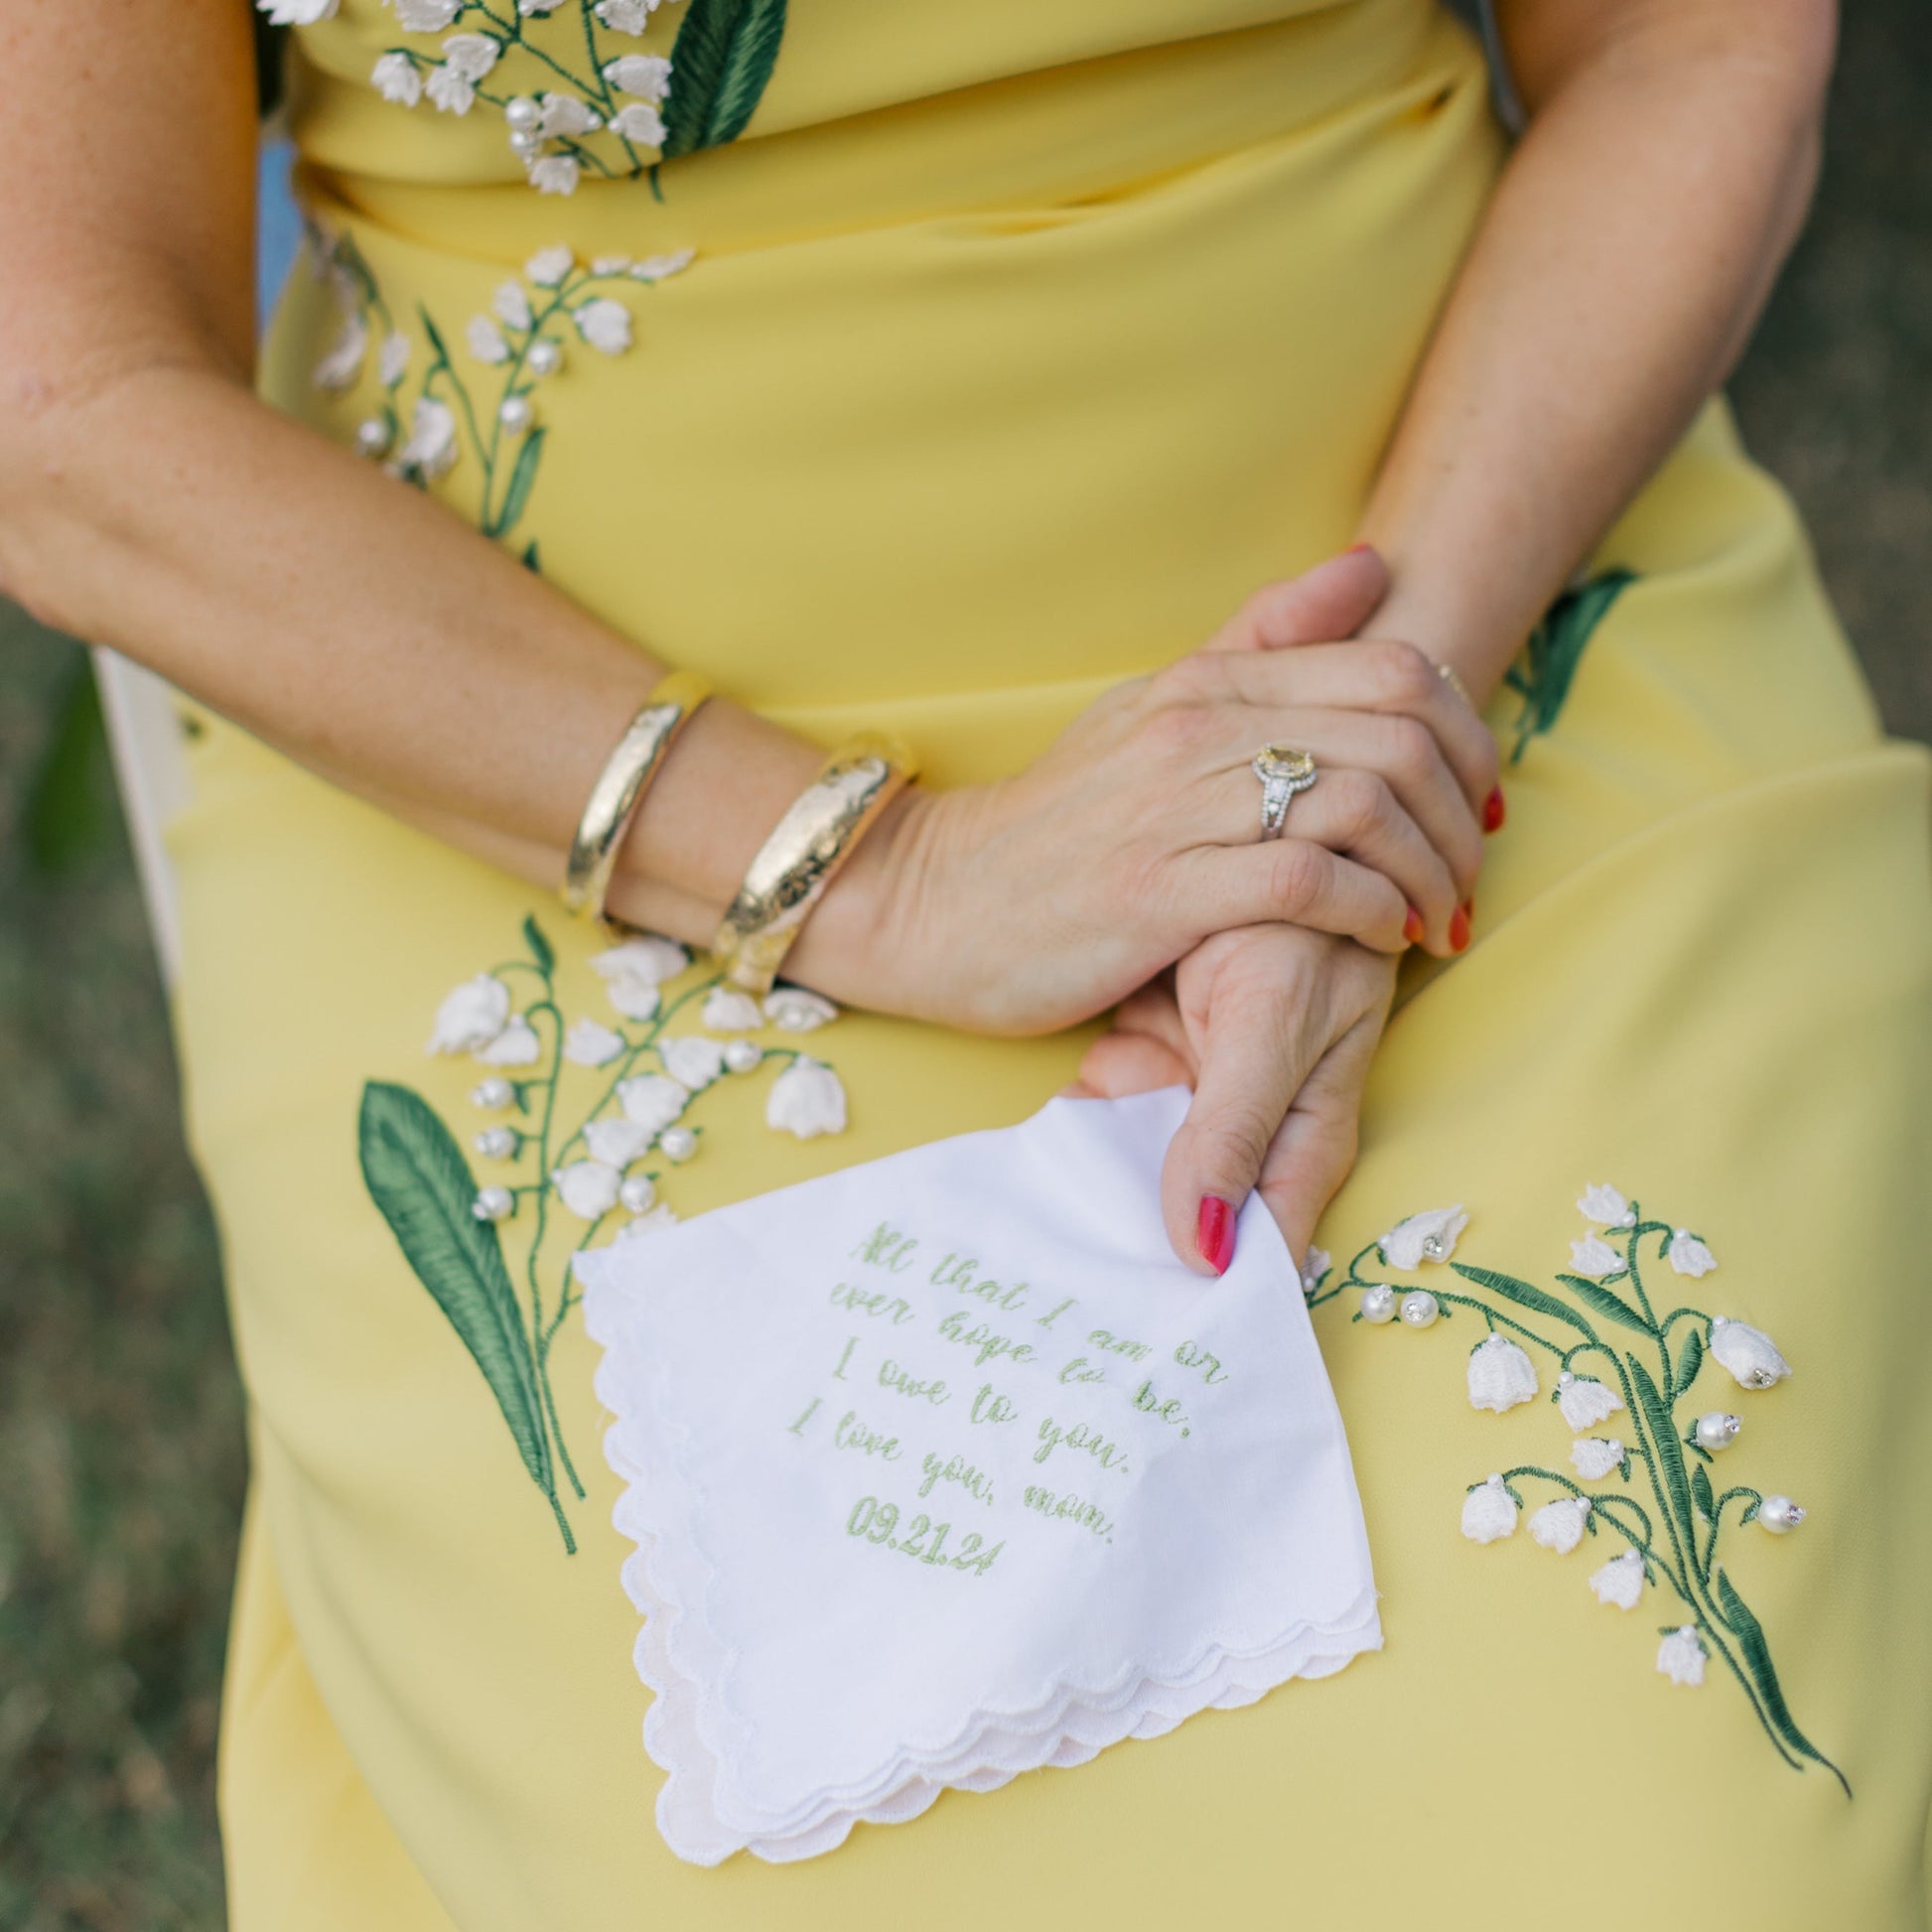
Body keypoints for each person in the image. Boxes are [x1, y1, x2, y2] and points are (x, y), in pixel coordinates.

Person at [2, 0, 1926, 1924]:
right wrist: (891, 878)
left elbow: (1688, 53)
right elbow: (62, 402)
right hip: (554, 748)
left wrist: (1339, 783)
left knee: (1696, 1856)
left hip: (1449, 556)